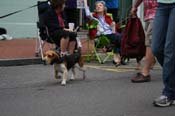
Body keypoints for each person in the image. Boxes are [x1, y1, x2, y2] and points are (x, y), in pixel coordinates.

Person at [151, 0, 175, 107]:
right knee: (156, 48)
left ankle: (169, 93)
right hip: (162, 5)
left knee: (170, 49)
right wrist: (135, 6)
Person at [83, 0, 122, 66]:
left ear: (104, 8)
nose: (98, 7)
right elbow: (87, 13)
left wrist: (113, 26)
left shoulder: (108, 17)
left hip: (111, 35)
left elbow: (113, 31)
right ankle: (117, 55)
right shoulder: (93, 17)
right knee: (120, 37)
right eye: (97, 6)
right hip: (102, 37)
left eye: (100, 5)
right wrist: (85, 2)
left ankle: (115, 54)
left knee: (120, 37)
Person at [130, 0, 157, 83]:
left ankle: (145, 72)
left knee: (149, 42)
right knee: (155, 43)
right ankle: (152, 61)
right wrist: (135, 6)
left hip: (158, 14)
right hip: (149, 15)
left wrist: (135, 6)